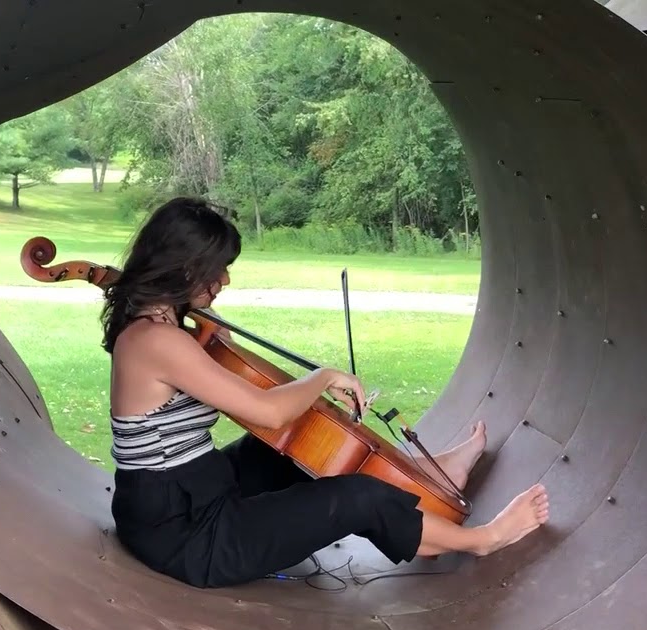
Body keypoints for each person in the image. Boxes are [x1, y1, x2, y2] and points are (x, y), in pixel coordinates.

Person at [101, 196, 550, 588]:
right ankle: (482, 540)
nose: (225, 281)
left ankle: (416, 475)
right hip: (187, 537)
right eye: (218, 270)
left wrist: (213, 330)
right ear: (185, 268)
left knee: (296, 446)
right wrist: (324, 376)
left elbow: (244, 395)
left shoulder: (157, 328)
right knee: (351, 497)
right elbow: (267, 411)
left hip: (192, 495)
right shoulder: (156, 340)